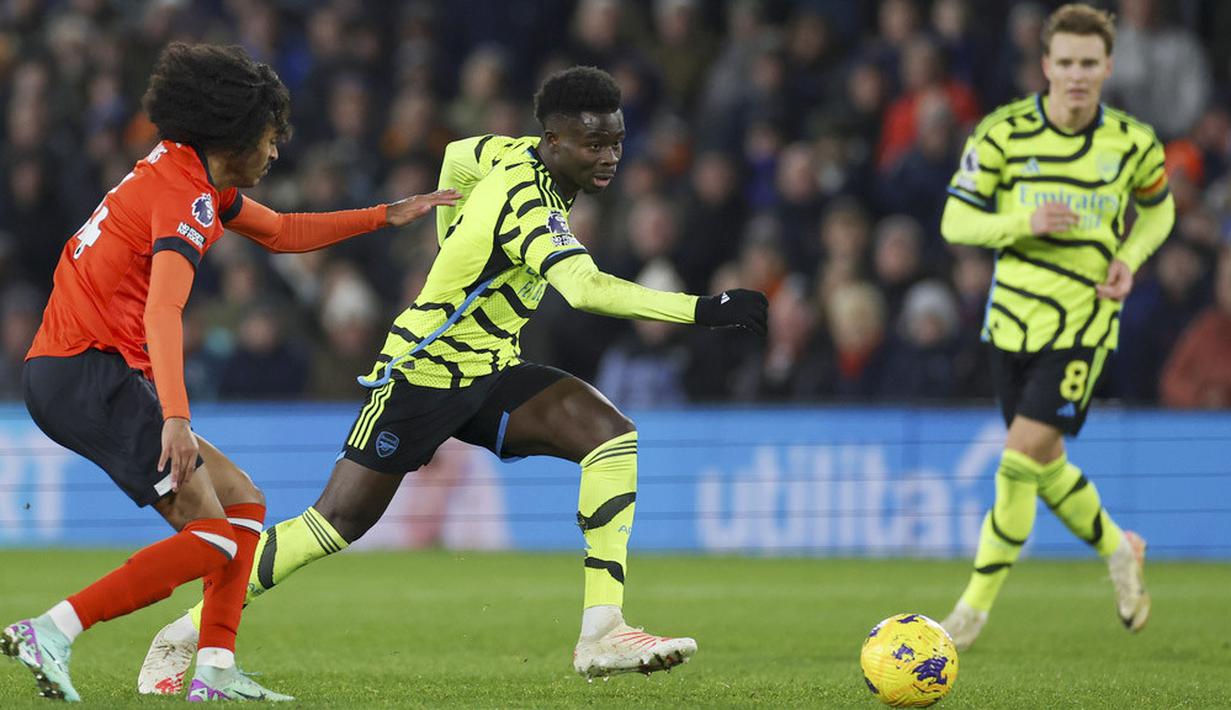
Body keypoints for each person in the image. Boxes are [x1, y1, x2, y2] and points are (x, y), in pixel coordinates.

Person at [138, 65, 767, 689]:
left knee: (611, 437)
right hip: (422, 374)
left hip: (490, 370)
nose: (609, 157)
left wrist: (454, 240)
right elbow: (583, 288)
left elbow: (458, 155)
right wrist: (702, 311)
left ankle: (602, 631)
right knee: (334, 524)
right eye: (593, 144)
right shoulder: (528, 205)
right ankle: (185, 631)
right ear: (553, 142)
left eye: (616, 141)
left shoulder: (511, 153)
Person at [0, 42, 456, 702]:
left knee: (242, 501)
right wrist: (177, 419)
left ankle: (214, 670)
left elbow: (283, 232)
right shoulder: (187, 198)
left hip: (78, 367)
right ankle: (55, 628)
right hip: (87, 373)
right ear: (234, 134)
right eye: (269, 140)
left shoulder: (187, 174)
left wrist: (384, 214)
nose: (275, 153)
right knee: (212, 538)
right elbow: (164, 310)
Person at [938, 3, 1174, 650]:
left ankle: (969, 614)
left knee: (1016, 463)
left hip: (1083, 324)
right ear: (1045, 65)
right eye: (1064, 62)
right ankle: (1119, 550)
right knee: (1045, 465)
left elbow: (1159, 210)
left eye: (1088, 64)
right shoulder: (1002, 134)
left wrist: (1128, 257)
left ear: (1107, 68)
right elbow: (954, 223)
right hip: (1009, 321)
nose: (1075, 75)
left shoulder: (1131, 143)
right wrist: (1022, 223)